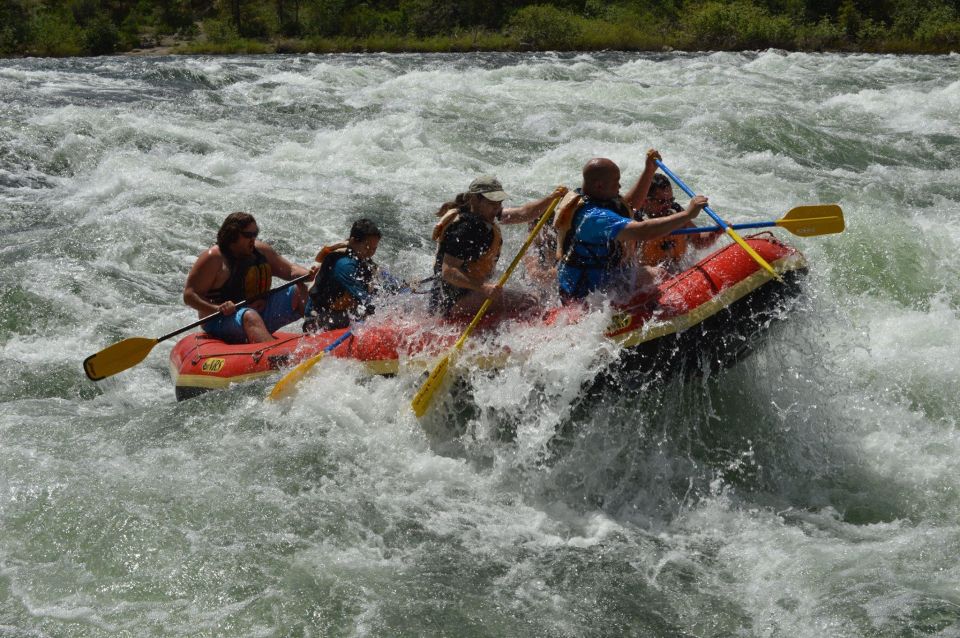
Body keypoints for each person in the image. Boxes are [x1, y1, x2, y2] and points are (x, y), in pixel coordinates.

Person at [556, 151, 709, 302]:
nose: (620, 185)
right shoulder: (594, 217)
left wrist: (649, 170)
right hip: (588, 291)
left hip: (601, 277)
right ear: (600, 185)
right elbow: (643, 231)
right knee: (660, 274)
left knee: (655, 274)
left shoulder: (591, 197)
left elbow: (628, 206)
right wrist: (688, 214)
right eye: (616, 181)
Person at [430, 176, 566, 320]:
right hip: (452, 301)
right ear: (475, 199)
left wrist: (551, 198)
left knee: (529, 296)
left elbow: (524, 213)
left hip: (466, 292)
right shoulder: (464, 230)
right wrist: (483, 287)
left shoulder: (485, 214)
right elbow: (448, 271)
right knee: (529, 301)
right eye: (492, 203)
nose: (497, 208)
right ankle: (497, 334)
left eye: (499, 202)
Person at [183, 212, 314, 344]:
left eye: (255, 234)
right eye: (248, 235)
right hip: (221, 320)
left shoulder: (261, 251)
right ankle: (273, 356)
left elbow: (290, 270)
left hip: (258, 314)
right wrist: (217, 308)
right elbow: (189, 295)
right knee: (249, 315)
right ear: (232, 235)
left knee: (299, 289)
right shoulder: (214, 258)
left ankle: (319, 332)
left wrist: (310, 273)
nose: (253, 239)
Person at [303, 218, 383, 332]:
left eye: (374, 248)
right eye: (367, 247)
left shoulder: (362, 258)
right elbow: (365, 300)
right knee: (371, 312)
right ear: (353, 241)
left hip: (339, 312)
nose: (370, 252)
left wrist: (404, 286)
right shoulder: (345, 265)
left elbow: (383, 280)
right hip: (319, 319)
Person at [636, 173, 722, 271]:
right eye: (662, 201)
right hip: (649, 277)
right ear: (646, 201)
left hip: (677, 270)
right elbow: (628, 267)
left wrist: (716, 232)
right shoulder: (637, 222)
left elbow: (698, 241)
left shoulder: (676, 211)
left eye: (670, 200)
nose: (668, 205)